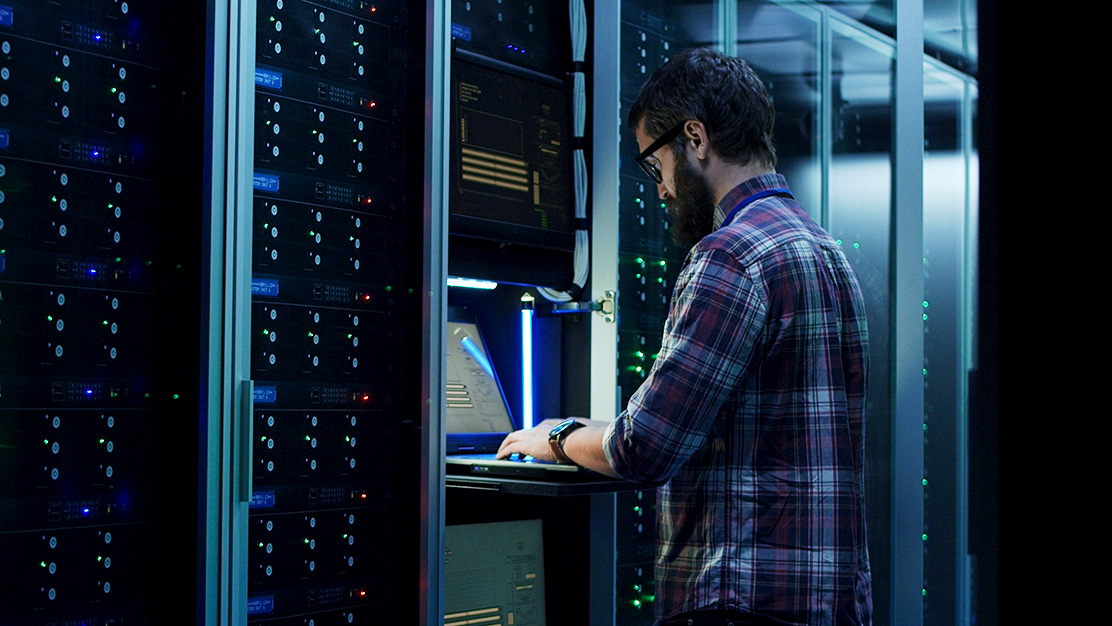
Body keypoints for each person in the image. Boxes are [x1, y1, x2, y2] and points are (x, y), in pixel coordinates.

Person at [497, 47, 872, 626]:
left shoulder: (730, 256)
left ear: (694, 138)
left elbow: (643, 449)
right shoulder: (824, 252)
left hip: (742, 603)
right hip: (827, 601)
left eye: (654, 163)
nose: (660, 189)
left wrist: (556, 435)